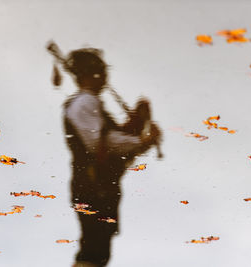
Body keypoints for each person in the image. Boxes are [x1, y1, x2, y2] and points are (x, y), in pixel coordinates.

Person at [48, 43, 162, 267]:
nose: (106, 77)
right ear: (92, 73)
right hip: (92, 185)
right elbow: (100, 145)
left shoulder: (89, 103)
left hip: (97, 185)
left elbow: (110, 143)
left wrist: (137, 126)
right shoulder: (84, 102)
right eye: (102, 71)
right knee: (93, 249)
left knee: (98, 250)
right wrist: (142, 140)